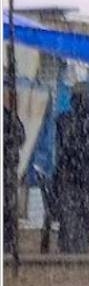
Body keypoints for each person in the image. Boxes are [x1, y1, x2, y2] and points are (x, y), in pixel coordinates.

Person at [54, 83, 89, 253]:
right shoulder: (69, 122)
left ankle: (76, 249)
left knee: (79, 219)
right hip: (75, 179)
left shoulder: (68, 121)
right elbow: (69, 150)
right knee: (75, 219)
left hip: (80, 180)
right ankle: (75, 249)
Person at [4, 86, 26, 255]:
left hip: (7, 171)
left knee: (8, 210)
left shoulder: (8, 116)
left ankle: (7, 242)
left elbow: (20, 137)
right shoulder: (8, 116)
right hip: (7, 171)